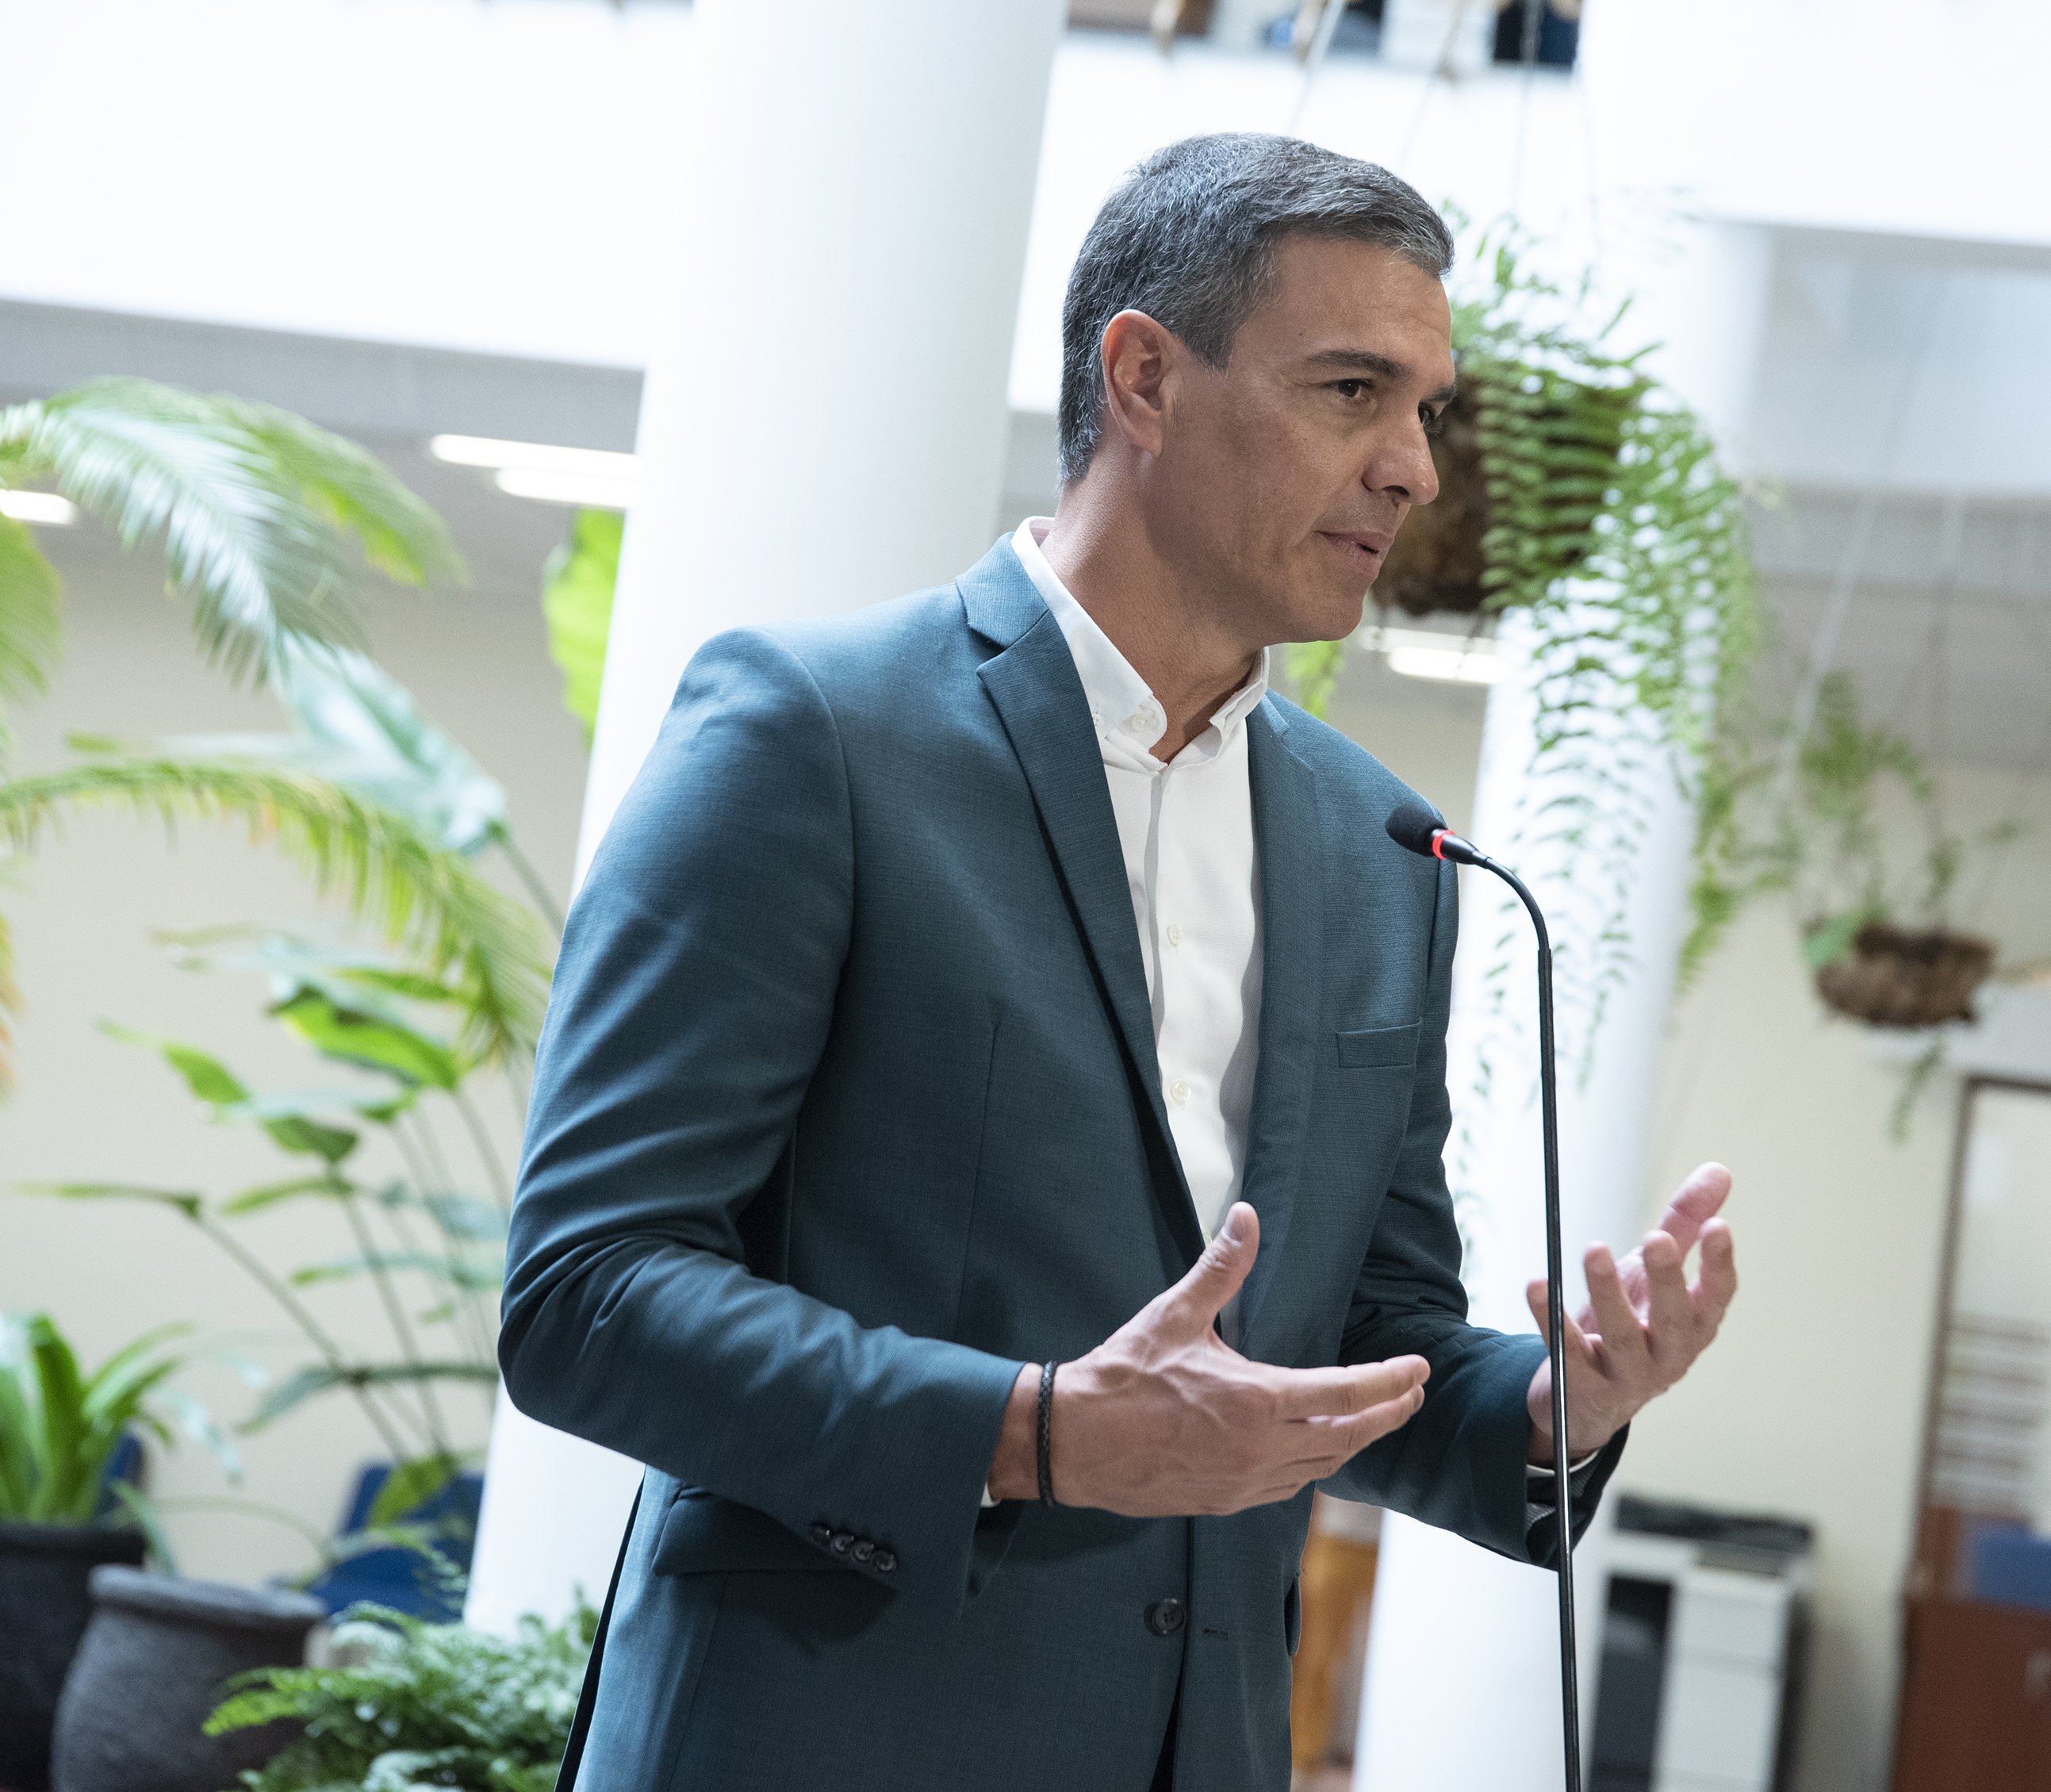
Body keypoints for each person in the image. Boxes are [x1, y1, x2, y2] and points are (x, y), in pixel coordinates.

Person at [500, 131, 1738, 1792]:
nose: (1414, 470)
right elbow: (588, 1292)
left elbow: (1365, 1336)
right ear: (1144, 377)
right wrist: (1037, 1430)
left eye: (1428, 411)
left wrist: (1547, 1405)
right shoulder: (814, 734)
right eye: (1353, 391)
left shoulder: (1388, 853)